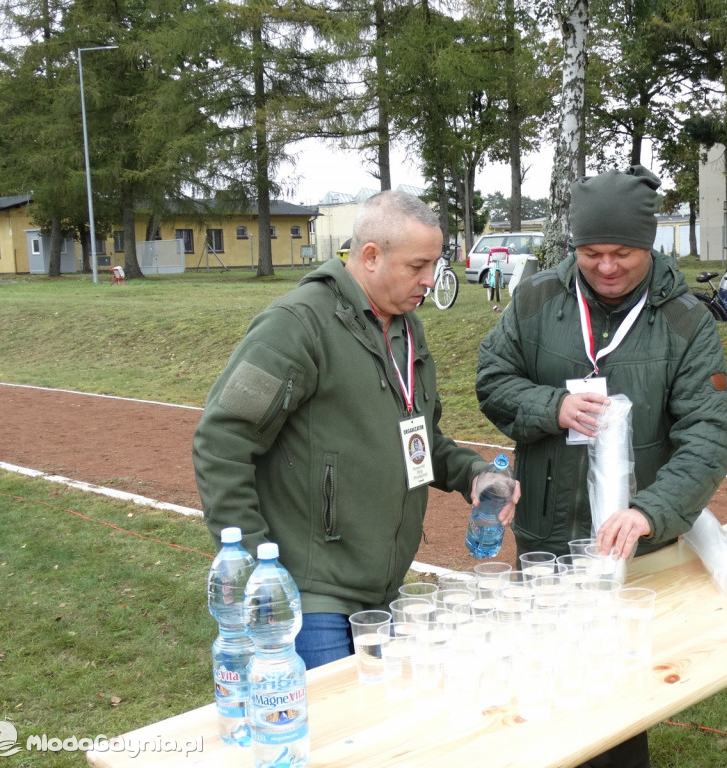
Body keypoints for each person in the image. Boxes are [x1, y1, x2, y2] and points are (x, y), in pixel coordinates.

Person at [475, 165, 727, 768]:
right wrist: (551, 406)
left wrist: (651, 511)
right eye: (592, 253)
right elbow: (492, 379)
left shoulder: (686, 323)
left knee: (616, 695)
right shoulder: (538, 298)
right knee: (541, 685)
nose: (607, 267)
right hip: (546, 534)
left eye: (623, 253)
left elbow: (708, 432)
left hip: (630, 545)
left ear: (650, 246)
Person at [193, 190, 518, 670]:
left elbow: (419, 438)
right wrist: (258, 571)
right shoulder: (297, 325)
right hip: (312, 597)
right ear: (370, 256)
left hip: (384, 593)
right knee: (329, 736)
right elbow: (221, 442)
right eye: (418, 266)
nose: (431, 281)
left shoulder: (406, 328)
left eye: (435, 264)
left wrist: (474, 473)